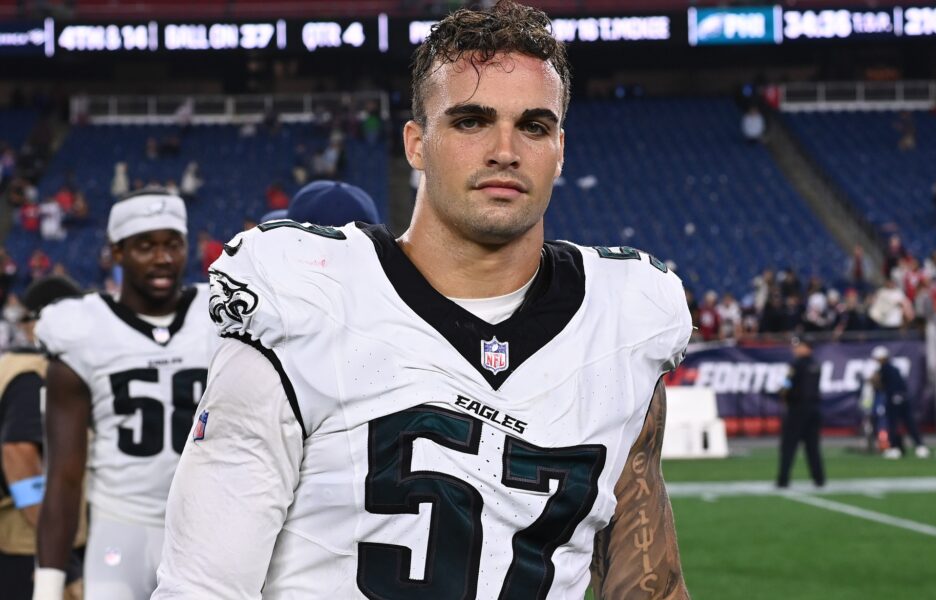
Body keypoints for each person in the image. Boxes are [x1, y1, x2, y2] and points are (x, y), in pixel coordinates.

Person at [154, 2, 693, 599]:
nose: (505, 151)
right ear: (416, 143)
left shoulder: (624, 320)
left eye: (534, 126)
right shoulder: (306, 297)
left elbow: (648, 582)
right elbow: (203, 585)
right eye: (471, 121)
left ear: (559, 148)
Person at [33, 189, 218, 600]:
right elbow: (63, 477)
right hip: (121, 524)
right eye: (145, 246)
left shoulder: (219, 318)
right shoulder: (83, 329)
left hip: (209, 527)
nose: (162, 258)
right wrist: (47, 587)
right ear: (117, 253)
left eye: (173, 244)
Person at [0, 277, 86, 600]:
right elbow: (18, 454)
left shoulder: (17, 365)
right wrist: (57, 546)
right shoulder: (34, 372)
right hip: (26, 546)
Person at [776, 338, 825, 489]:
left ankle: (783, 480)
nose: (795, 349)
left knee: (788, 446)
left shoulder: (796, 365)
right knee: (813, 447)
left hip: (797, 409)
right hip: (814, 409)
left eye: (798, 346)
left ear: (806, 347)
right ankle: (819, 479)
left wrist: (782, 394)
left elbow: (787, 384)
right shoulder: (816, 364)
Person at [870, 346, 929, 459]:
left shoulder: (884, 369)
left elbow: (878, 383)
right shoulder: (894, 369)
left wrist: (874, 382)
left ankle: (895, 448)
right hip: (903, 398)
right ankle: (920, 446)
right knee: (909, 423)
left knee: (893, 424)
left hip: (893, 399)